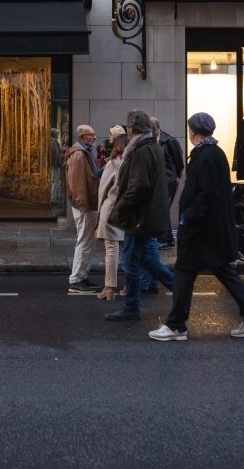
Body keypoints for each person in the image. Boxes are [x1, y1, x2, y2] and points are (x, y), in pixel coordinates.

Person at [149, 111, 244, 341]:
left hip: (201, 230)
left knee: (185, 273)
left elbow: (207, 194)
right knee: (222, 272)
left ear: (193, 131)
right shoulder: (213, 153)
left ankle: (176, 326)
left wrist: (187, 217)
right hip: (211, 230)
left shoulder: (206, 156)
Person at [105, 110, 174, 321]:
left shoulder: (142, 150)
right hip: (145, 216)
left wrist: (118, 210)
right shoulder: (151, 147)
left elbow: (138, 186)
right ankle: (179, 288)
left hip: (139, 217)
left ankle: (132, 307)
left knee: (129, 261)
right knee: (147, 260)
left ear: (131, 129)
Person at [64, 124, 100, 294]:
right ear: (81, 137)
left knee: (87, 242)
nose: (94, 137)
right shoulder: (78, 155)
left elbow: (90, 177)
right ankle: (77, 279)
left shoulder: (85, 153)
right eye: (90, 135)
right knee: (84, 242)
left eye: (94, 134)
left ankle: (82, 276)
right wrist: (84, 205)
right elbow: (77, 184)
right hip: (85, 206)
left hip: (88, 204)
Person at [94, 125, 127, 301]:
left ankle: (109, 288)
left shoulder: (113, 163)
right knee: (128, 249)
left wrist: (99, 215)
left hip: (111, 208)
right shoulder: (130, 162)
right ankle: (129, 285)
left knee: (111, 249)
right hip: (126, 210)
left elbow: (103, 190)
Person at [154, 119, 184, 247]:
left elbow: (178, 159)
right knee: (162, 208)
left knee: (163, 207)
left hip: (168, 178)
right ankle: (168, 239)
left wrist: (177, 175)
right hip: (158, 180)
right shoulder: (151, 141)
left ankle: (164, 239)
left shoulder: (169, 140)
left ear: (157, 129)